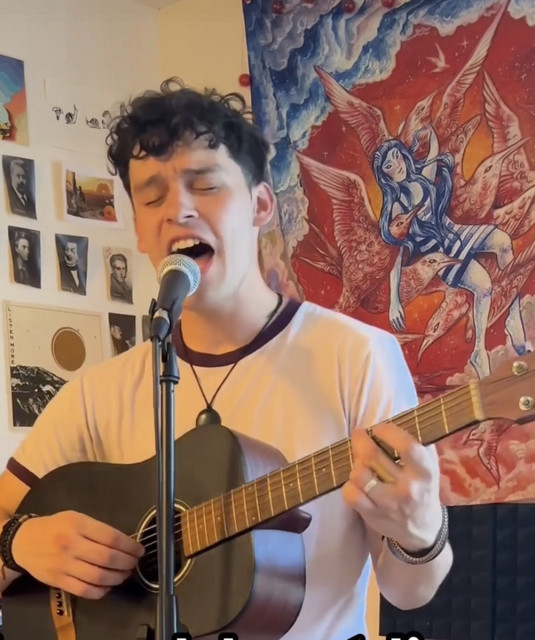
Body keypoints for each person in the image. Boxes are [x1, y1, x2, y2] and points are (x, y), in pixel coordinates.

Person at [0, 79, 452, 640]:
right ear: (139, 230)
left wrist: (419, 531)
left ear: (261, 205)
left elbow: (409, 591)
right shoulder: (100, 394)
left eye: (206, 186)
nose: (179, 210)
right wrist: (19, 543)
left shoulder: (356, 356)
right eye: (152, 197)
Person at [374, 127, 527, 379]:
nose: (396, 165)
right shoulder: (397, 207)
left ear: (403, 155)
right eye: (388, 166)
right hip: (442, 254)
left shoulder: (421, 178)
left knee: (503, 242)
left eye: (397, 157)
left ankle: (512, 315)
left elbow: (434, 152)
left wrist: (431, 134)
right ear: (385, 175)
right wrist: (394, 301)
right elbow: (396, 256)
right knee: (484, 286)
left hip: (455, 232)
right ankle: (479, 351)